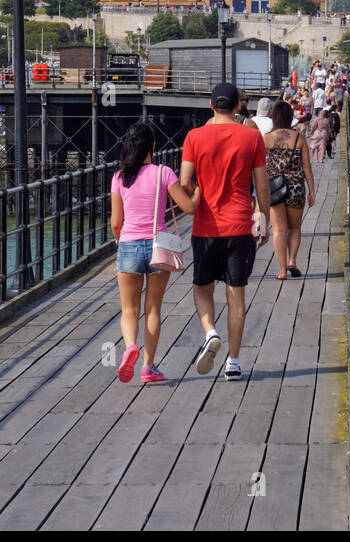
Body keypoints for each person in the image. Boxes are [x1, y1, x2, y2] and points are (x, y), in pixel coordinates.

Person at [180, 84, 270, 380]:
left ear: (210, 105)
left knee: (202, 289)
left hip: (206, 227)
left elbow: (184, 182)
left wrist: (196, 198)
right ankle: (233, 361)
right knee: (236, 295)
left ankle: (210, 331)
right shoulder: (252, 136)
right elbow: (262, 184)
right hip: (240, 226)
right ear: (238, 106)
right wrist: (264, 217)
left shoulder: (194, 137)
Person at [110, 121, 199, 384]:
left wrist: (120, 242)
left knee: (128, 309)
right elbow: (188, 208)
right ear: (153, 146)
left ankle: (129, 347)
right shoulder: (163, 172)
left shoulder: (118, 177)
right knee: (153, 309)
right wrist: (200, 191)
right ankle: (148, 367)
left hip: (128, 245)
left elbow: (116, 221)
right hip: (158, 245)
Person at [264, 100, 315, 280]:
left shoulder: (266, 138)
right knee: (295, 228)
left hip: (274, 188)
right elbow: (307, 167)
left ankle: (282, 270)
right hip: (296, 188)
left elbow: (259, 167)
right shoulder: (299, 138)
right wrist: (312, 191)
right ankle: (292, 260)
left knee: (278, 230)